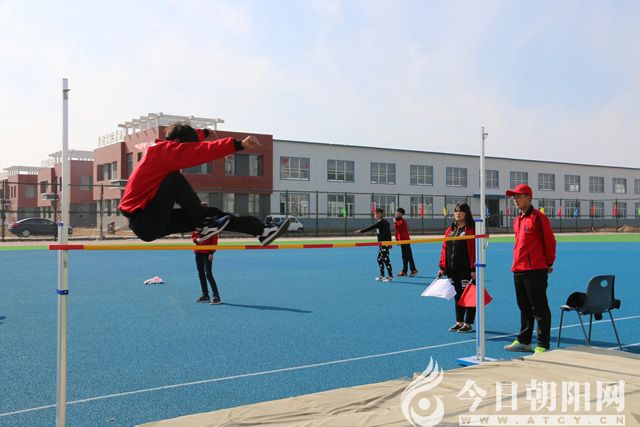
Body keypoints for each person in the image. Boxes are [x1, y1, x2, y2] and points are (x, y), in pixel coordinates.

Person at [118, 123, 289, 244]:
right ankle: (203, 222)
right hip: (144, 219)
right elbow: (202, 151)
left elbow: (189, 142)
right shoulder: (161, 152)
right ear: (177, 144)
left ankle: (262, 231)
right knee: (174, 180)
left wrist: (203, 133)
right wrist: (238, 144)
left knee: (212, 216)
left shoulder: (164, 149)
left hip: (152, 221)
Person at [503, 183, 556, 354]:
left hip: (535, 269)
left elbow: (550, 241)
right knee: (524, 307)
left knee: (539, 308)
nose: (515, 199)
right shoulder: (517, 219)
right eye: (514, 197)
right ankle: (524, 341)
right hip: (518, 269)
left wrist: (549, 263)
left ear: (529, 197)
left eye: (519, 196)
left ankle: (543, 344)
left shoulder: (538, 217)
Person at [438, 203, 476, 333]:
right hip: (452, 269)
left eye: (460, 211)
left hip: (466, 269)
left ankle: (468, 323)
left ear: (466, 213)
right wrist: (442, 266)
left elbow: (475, 249)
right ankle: (459, 322)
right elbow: (445, 248)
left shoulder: (471, 229)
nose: (457, 213)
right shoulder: (451, 229)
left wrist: (474, 268)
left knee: (468, 295)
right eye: (455, 211)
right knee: (457, 295)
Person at [193, 204, 222, 305]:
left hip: (207, 254)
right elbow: (193, 236)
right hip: (198, 252)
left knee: (208, 274)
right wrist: (196, 240)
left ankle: (216, 297)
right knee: (201, 274)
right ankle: (205, 295)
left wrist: (211, 252)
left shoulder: (212, 224)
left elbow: (214, 239)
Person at [355, 208, 394, 282]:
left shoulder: (383, 222)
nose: (375, 215)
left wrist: (361, 231)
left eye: (377, 213)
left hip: (384, 244)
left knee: (386, 259)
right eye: (375, 213)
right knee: (379, 259)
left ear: (381, 214)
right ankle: (382, 275)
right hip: (381, 244)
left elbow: (372, 228)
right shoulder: (381, 222)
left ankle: (390, 276)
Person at [394, 207, 418, 276]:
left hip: (405, 240)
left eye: (397, 212)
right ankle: (406, 270)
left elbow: (400, 229)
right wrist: (397, 240)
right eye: (396, 212)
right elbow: (397, 232)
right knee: (405, 256)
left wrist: (395, 223)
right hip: (402, 240)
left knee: (408, 255)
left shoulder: (402, 221)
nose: (396, 213)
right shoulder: (398, 221)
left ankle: (412, 270)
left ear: (401, 214)